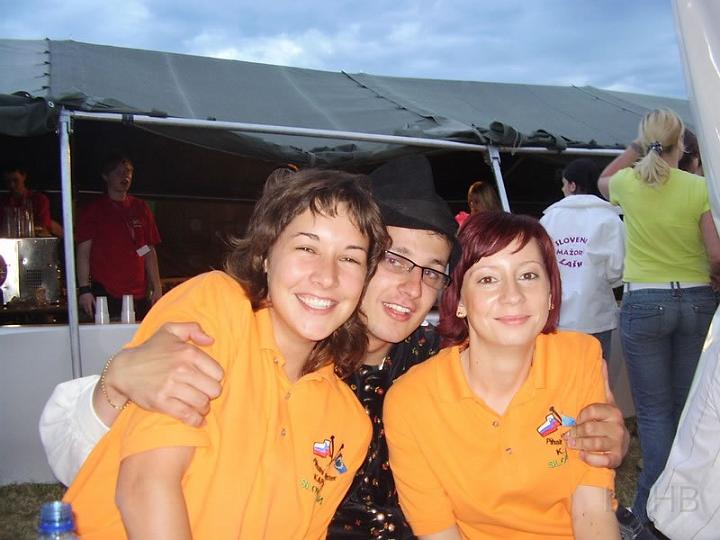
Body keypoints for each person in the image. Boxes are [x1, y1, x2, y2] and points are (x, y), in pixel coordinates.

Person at [41, 156, 629, 539]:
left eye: (432, 271)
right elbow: (87, 456)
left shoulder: (429, 363)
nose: (412, 287)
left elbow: (527, 411)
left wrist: (598, 433)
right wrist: (113, 383)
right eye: (394, 259)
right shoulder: (231, 321)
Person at [62, 168, 390, 539]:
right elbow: (145, 485)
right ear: (266, 256)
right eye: (306, 248)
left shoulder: (348, 424)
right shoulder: (217, 308)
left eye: (349, 259)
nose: (326, 276)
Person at [384, 211, 620, 539]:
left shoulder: (579, 359)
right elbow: (438, 531)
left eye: (528, 275)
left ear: (550, 294)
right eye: (488, 279)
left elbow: (592, 509)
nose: (513, 295)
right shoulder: (411, 402)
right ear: (460, 300)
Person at [598, 108, 720, 525]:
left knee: (652, 412)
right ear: (681, 145)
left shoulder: (627, 184)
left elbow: (602, 180)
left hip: (645, 301)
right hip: (696, 299)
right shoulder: (699, 187)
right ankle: (680, 503)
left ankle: (650, 507)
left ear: (644, 141)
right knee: (686, 408)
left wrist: (637, 146)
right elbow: (716, 254)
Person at [540, 158, 624, 360]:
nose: (562, 189)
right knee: (597, 374)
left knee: (558, 375)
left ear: (572, 185)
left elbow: (538, 266)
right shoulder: (610, 219)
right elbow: (617, 270)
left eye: (564, 184)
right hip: (595, 314)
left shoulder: (549, 219)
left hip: (556, 317)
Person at [76, 152, 162, 321]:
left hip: (139, 292)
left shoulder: (140, 207)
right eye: (118, 172)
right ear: (106, 176)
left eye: (128, 171)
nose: (125, 176)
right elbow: (83, 252)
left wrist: (157, 286)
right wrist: (84, 289)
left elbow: (148, 249)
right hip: (107, 291)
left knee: (141, 333)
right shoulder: (94, 209)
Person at [1, 161, 63, 237]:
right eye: (8, 181)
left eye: (15, 180)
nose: (12, 185)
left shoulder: (39, 200)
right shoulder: (3, 202)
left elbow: (42, 227)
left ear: (24, 176)